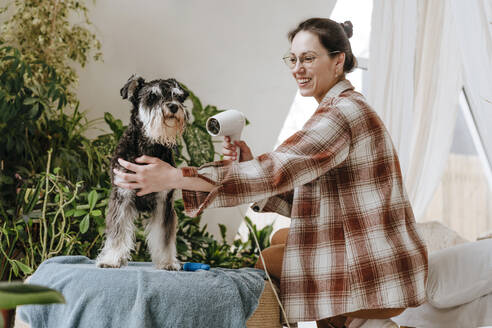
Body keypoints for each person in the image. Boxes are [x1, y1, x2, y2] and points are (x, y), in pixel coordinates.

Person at [113, 18, 428, 328]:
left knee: (266, 262)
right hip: (383, 253)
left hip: (381, 267)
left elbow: (275, 170)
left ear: (338, 61)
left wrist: (173, 177)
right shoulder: (342, 106)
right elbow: (306, 198)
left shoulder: (340, 115)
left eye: (308, 58)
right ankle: (350, 321)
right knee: (280, 239)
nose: (297, 69)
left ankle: (362, 321)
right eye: (292, 59)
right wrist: (248, 165)